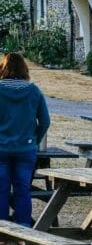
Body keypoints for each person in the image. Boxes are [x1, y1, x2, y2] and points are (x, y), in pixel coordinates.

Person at [0, 53, 50, 228]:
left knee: (1, 190)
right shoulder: (33, 91)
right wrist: (34, 138)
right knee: (22, 190)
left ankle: (2, 232)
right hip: (25, 148)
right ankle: (23, 228)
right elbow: (45, 121)